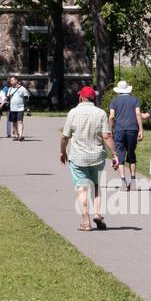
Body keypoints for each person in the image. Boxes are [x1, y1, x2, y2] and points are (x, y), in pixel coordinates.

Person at [59, 85, 117, 231]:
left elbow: (65, 136)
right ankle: (97, 213)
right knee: (96, 186)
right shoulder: (100, 113)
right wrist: (115, 154)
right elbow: (106, 136)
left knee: (82, 189)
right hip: (97, 157)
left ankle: (86, 222)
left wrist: (62, 152)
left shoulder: (73, 113)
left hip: (78, 157)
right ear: (93, 98)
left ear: (81, 97)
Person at [108, 80, 144, 190]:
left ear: (118, 91)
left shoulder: (114, 101)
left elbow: (111, 116)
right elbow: (138, 113)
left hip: (119, 130)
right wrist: (141, 129)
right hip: (132, 129)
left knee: (120, 154)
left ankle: (123, 180)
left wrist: (109, 130)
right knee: (131, 153)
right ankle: (133, 180)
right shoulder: (135, 99)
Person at [6, 75, 30, 141]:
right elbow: (8, 98)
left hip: (20, 108)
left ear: (16, 80)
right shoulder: (10, 89)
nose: (11, 82)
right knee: (14, 122)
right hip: (12, 108)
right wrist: (6, 102)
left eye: (12, 80)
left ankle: (20, 135)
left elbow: (26, 98)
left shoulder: (22, 89)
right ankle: (16, 135)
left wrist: (27, 108)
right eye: (10, 81)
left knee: (20, 121)